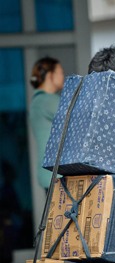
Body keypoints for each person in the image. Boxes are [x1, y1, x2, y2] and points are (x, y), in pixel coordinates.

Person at [29, 57, 65, 191]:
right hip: (57, 175)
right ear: (50, 75)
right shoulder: (47, 101)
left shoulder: (37, 100)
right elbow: (76, 119)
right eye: (60, 72)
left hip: (49, 173)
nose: (63, 76)